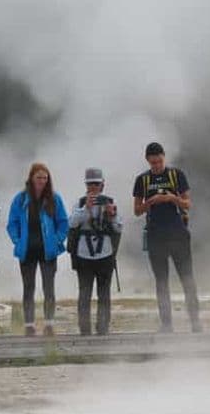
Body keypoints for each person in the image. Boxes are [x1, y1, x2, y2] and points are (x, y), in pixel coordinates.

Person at [133, 142, 201, 333]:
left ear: (164, 157)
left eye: (159, 161)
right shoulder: (142, 180)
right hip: (155, 236)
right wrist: (150, 203)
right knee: (161, 281)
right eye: (153, 163)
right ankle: (166, 324)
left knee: (187, 278)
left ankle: (195, 321)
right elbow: (137, 210)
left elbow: (187, 204)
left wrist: (171, 198)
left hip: (178, 234)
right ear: (147, 160)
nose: (156, 166)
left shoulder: (176, 175)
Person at [6, 163, 68, 337]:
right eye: (39, 177)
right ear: (31, 178)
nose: (42, 181)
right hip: (27, 250)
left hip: (48, 250)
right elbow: (12, 223)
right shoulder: (20, 199)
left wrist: (57, 240)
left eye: (45, 178)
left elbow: (63, 222)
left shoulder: (54, 199)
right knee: (28, 288)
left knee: (49, 288)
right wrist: (17, 241)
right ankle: (29, 325)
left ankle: (49, 324)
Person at [68, 168, 122, 336]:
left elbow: (118, 227)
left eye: (97, 184)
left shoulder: (110, 202)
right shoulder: (79, 203)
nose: (94, 188)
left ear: (102, 185)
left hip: (105, 254)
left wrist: (111, 215)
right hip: (84, 254)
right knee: (84, 293)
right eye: (90, 184)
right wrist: (86, 208)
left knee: (104, 294)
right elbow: (72, 223)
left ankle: (103, 328)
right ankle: (84, 329)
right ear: (86, 185)